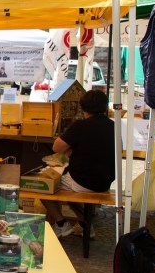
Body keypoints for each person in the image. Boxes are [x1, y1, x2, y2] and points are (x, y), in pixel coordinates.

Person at [46, 89, 116, 238]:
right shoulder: (113, 126)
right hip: (105, 182)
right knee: (71, 187)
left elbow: (56, 148)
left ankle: (61, 223)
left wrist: (71, 149)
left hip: (83, 181)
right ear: (105, 107)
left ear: (83, 108)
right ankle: (85, 224)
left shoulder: (81, 125)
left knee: (43, 184)